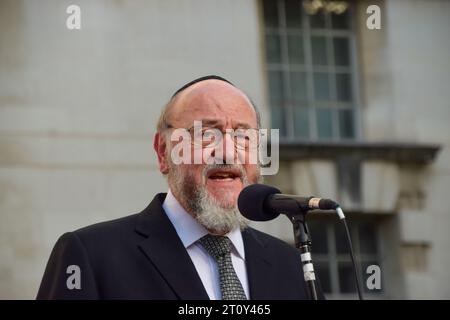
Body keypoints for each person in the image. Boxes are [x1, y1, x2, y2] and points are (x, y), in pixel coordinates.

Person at [37, 75, 314, 299]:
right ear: (163, 152)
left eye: (243, 136)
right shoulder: (91, 256)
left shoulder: (291, 264)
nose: (228, 152)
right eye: (206, 134)